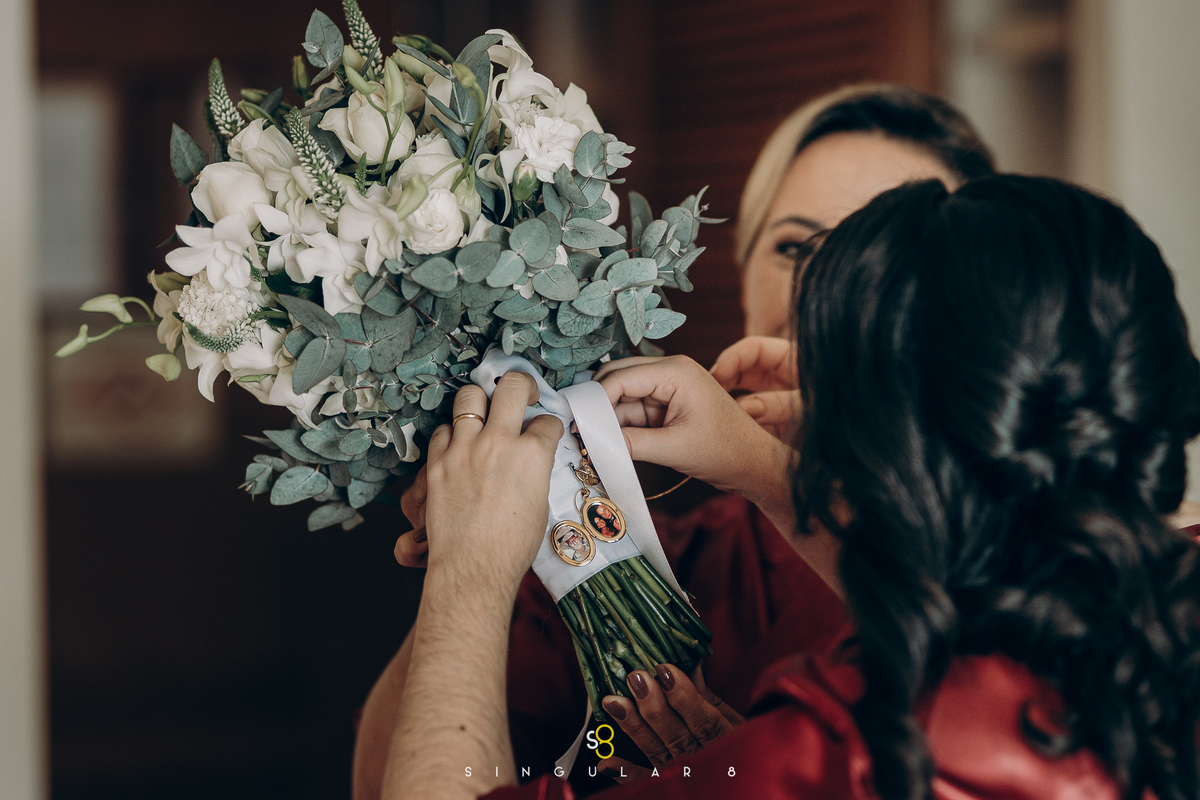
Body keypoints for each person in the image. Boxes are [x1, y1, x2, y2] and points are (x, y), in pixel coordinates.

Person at [381, 175, 1200, 800]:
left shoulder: (834, 752)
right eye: (789, 246)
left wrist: (468, 575)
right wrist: (787, 475)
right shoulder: (1156, 615)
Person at [353, 84, 999, 798]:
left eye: (879, 259)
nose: (825, 290)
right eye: (794, 246)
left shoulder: (1001, 574)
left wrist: (744, 769)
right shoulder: (608, 552)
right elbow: (445, 767)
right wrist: (464, 536)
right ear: (741, 266)